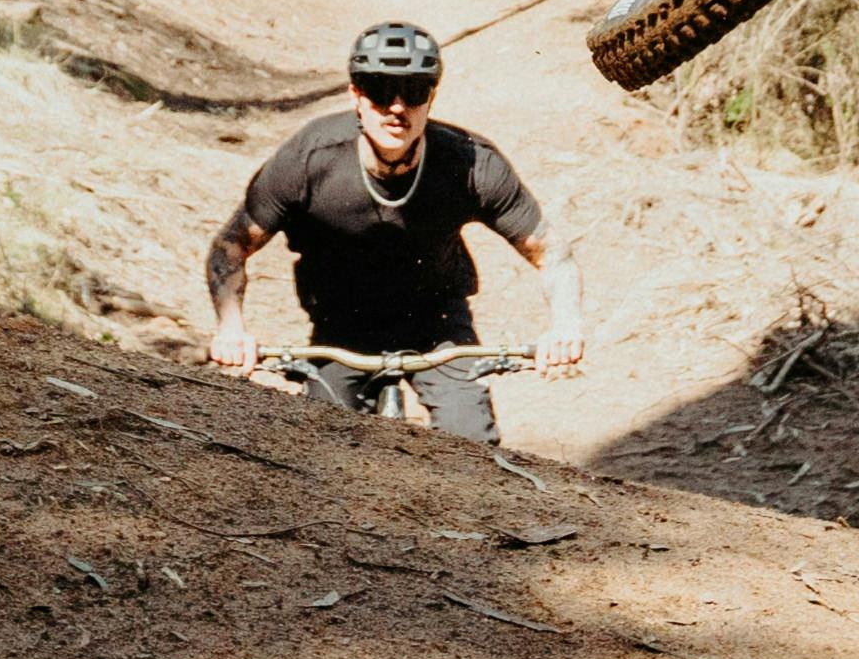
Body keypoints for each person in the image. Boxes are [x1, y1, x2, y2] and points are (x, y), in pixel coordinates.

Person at [205, 22, 583, 442]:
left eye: (415, 91)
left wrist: (564, 328)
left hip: (438, 325)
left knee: (472, 444)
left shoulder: (471, 163)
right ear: (356, 96)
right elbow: (231, 246)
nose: (397, 108)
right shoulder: (308, 160)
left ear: (432, 97)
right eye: (381, 90)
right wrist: (231, 328)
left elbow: (551, 253)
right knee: (321, 444)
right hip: (341, 324)